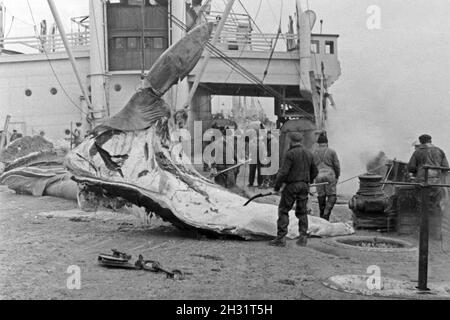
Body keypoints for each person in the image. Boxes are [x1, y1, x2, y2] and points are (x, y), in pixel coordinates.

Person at [269, 132, 318, 247]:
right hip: (304, 186)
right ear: (301, 141)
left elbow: (283, 172)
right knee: (302, 212)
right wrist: (308, 181)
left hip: (291, 186)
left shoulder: (290, 154)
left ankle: (281, 238)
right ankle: (303, 237)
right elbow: (315, 171)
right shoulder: (309, 154)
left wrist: (277, 186)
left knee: (284, 210)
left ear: (291, 141)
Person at [408, 134, 449, 240]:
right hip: (436, 183)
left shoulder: (417, 152)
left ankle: (422, 234)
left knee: (421, 206)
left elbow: (411, 168)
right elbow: (446, 168)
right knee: (436, 207)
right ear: (431, 140)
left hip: (422, 183)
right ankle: (436, 234)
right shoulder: (439, 151)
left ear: (421, 142)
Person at [313, 132, 341, 221]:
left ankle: (322, 215)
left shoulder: (313, 152)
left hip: (318, 175)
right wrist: (337, 176)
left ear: (318, 143)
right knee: (332, 195)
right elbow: (337, 165)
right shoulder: (331, 151)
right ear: (326, 142)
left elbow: (311, 166)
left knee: (321, 195)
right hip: (330, 174)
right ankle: (326, 213)